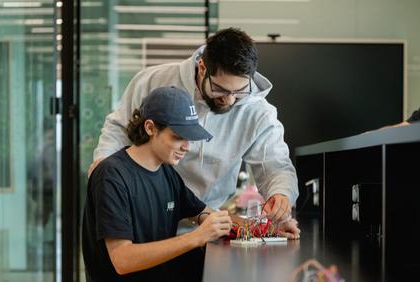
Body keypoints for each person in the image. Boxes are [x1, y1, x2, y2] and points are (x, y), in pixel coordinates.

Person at [89, 27, 300, 238]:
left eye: (240, 92)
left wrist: (280, 195)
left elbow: (275, 166)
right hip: (146, 216)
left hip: (205, 219)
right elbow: (119, 128)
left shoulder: (258, 111)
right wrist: (105, 169)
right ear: (202, 68)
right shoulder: (154, 81)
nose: (229, 99)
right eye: (220, 89)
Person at [82, 86, 233, 282]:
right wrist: (196, 237)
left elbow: (205, 213)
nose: (186, 147)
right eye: (178, 136)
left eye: (189, 138)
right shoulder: (111, 176)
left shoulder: (166, 172)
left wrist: (265, 227)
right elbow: (122, 259)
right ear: (150, 128)